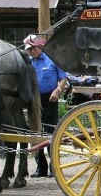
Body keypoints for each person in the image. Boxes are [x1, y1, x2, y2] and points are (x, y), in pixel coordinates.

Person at [24, 34, 68, 178]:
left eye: (33, 49)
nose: (31, 52)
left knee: (50, 133)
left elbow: (63, 79)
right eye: (29, 50)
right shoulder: (28, 62)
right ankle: (40, 167)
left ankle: (53, 167)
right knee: (35, 133)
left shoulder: (52, 59)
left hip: (50, 99)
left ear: (40, 46)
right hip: (33, 100)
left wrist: (58, 90)